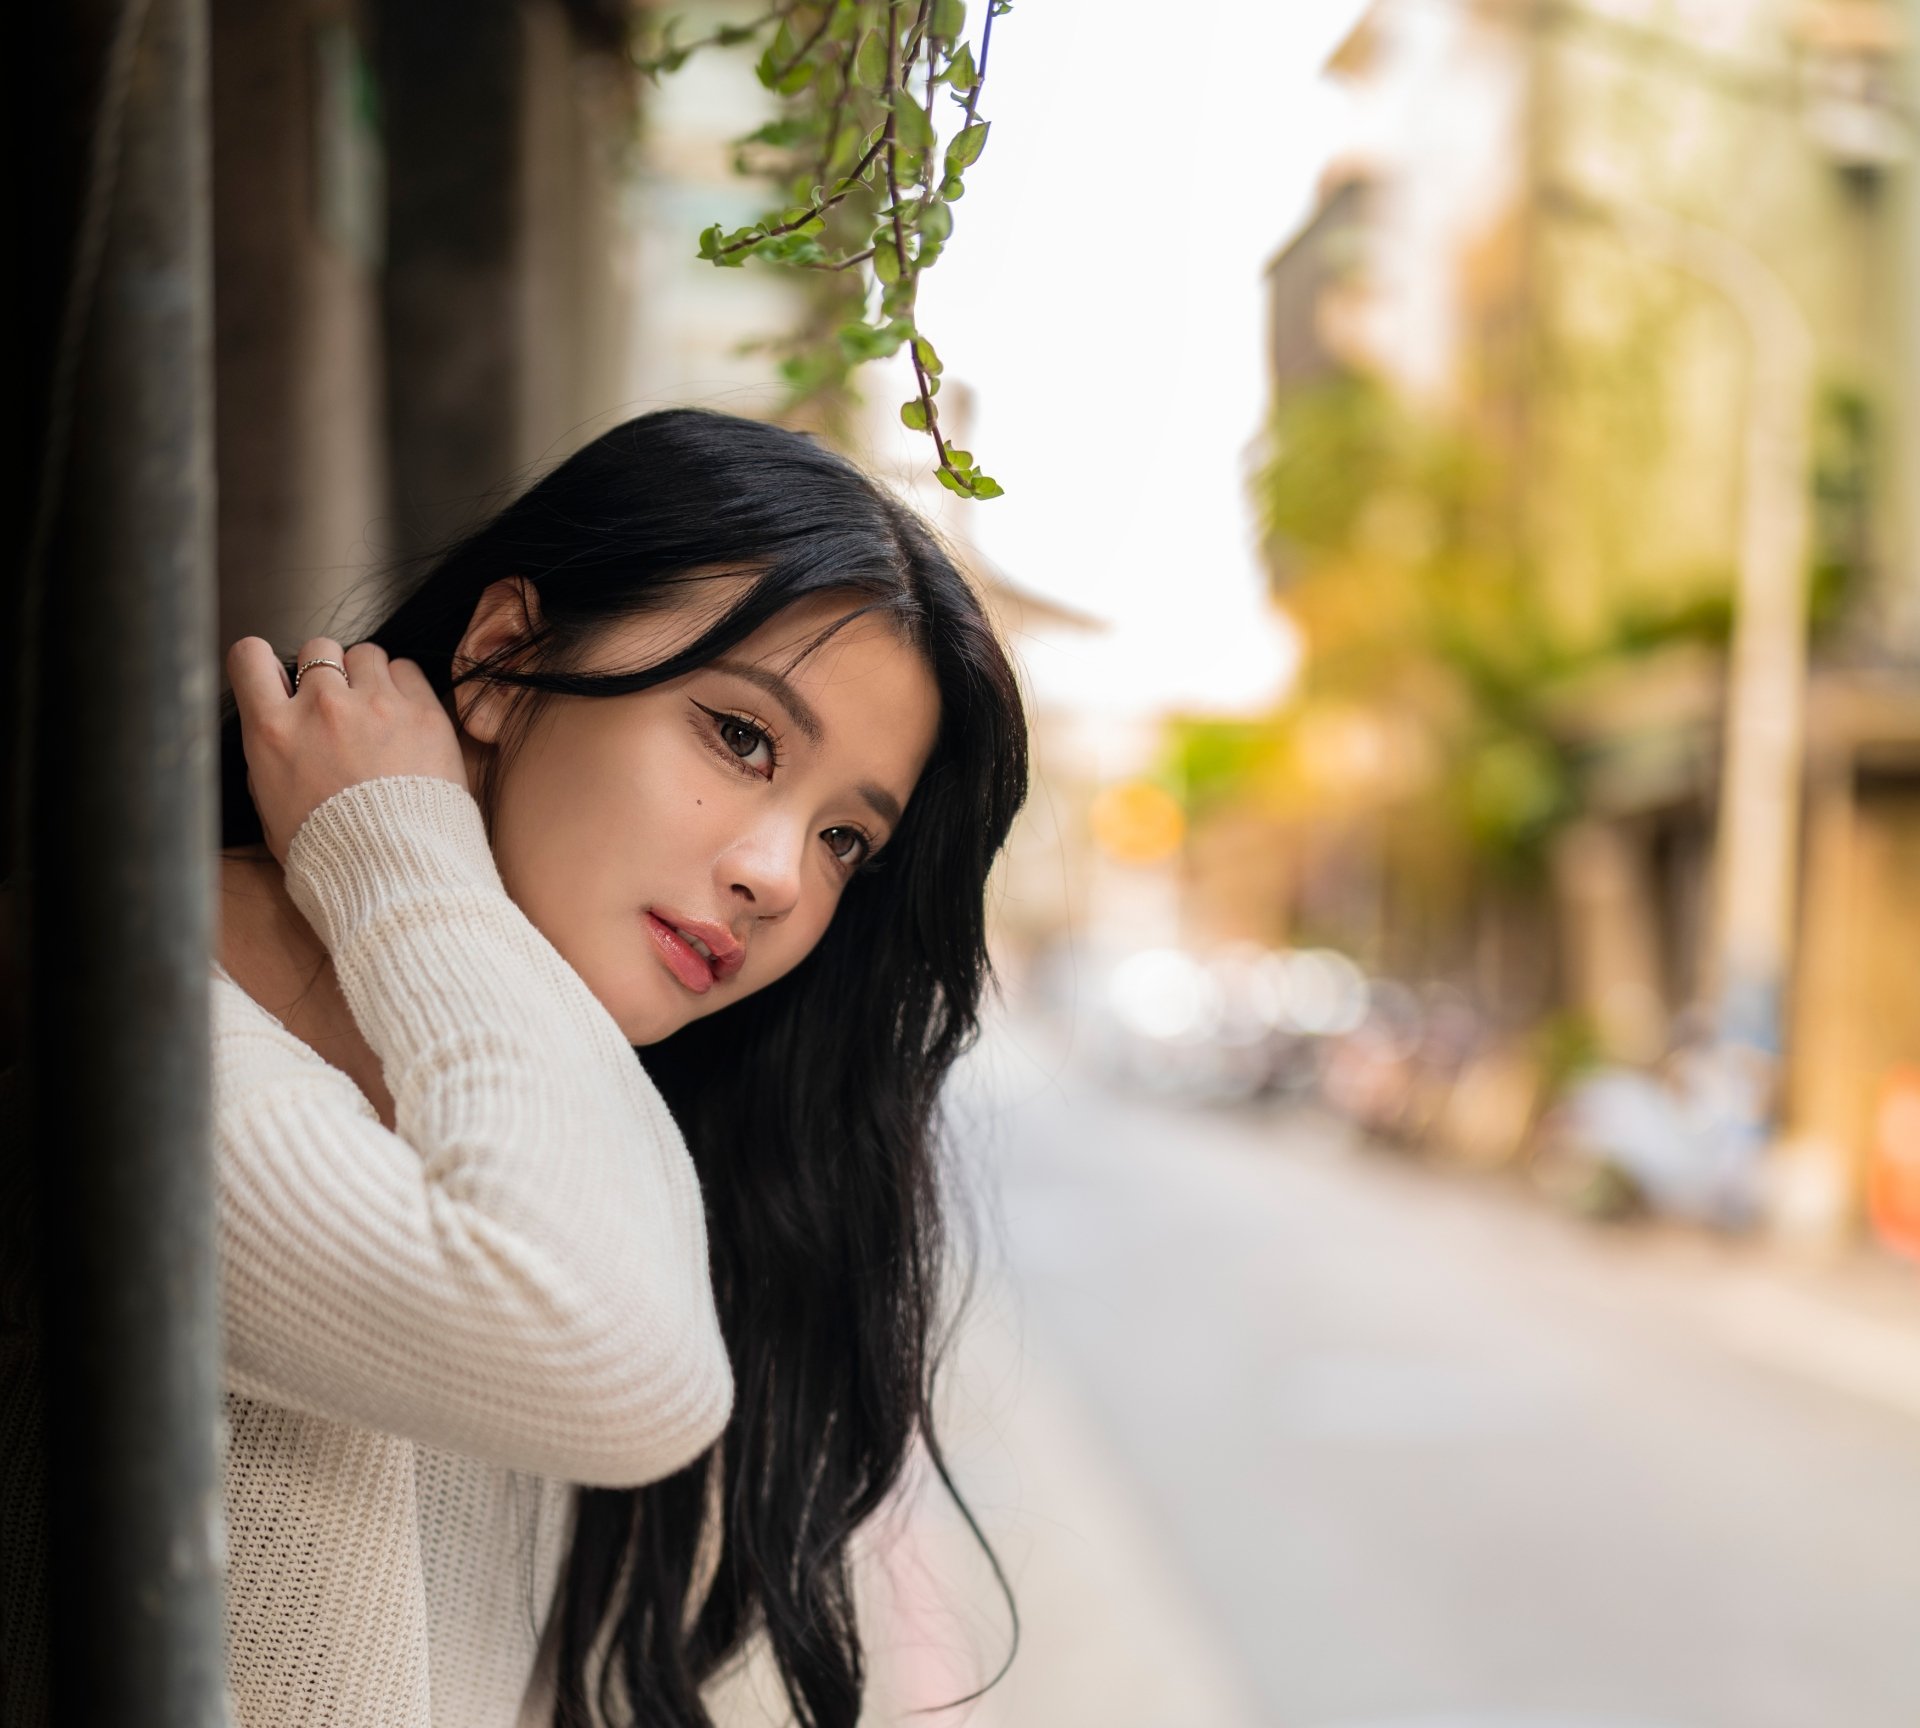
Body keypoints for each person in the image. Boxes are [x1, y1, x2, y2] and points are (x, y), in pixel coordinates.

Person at [210, 408, 1029, 1727]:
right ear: (497, 658)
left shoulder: (574, 1124)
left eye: (843, 844)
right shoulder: (140, 1031)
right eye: (741, 737)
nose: (774, 877)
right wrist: (400, 850)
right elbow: (615, 1368)